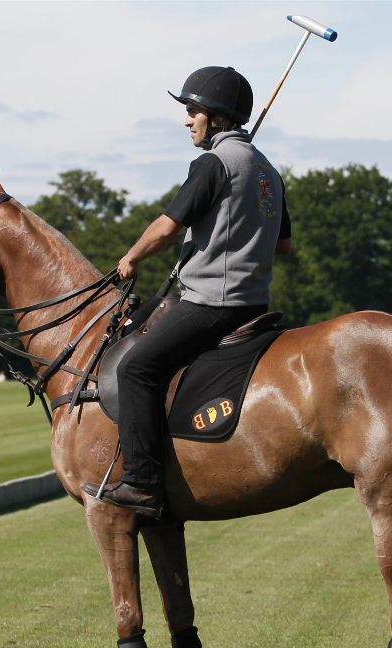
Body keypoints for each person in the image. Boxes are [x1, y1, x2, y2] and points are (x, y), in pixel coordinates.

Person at [82, 66, 292, 516]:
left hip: (212, 303)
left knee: (136, 367)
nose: (186, 120)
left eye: (192, 110)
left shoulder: (214, 163)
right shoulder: (268, 172)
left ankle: (141, 482)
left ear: (216, 117)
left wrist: (132, 258)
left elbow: (166, 226)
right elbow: (284, 245)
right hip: (254, 302)